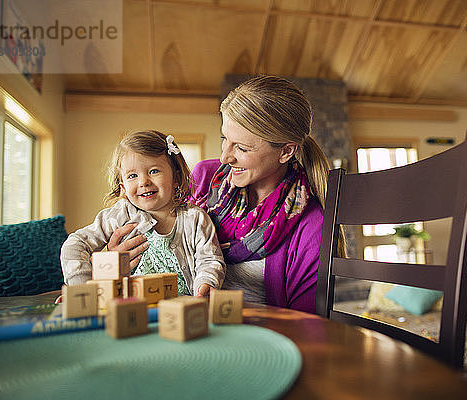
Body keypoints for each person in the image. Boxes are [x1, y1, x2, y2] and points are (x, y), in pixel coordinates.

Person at [109, 76, 342, 313]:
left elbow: (304, 326)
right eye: (225, 140)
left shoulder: (312, 227)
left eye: (241, 148)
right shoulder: (204, 178)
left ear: (286, 151)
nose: (225, 158)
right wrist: (113, 261)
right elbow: (158, 236)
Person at [60, 130, 225, 297]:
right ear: (123, 186)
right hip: (127, 309)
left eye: (154, 171)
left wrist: (206, 284)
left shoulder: (195, 218)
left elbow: (210, 260)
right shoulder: (120, 215)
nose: (143, 182)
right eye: (132, 175)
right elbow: (74, 244)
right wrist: (82, 290)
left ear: (175, 177)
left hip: (178, 311)